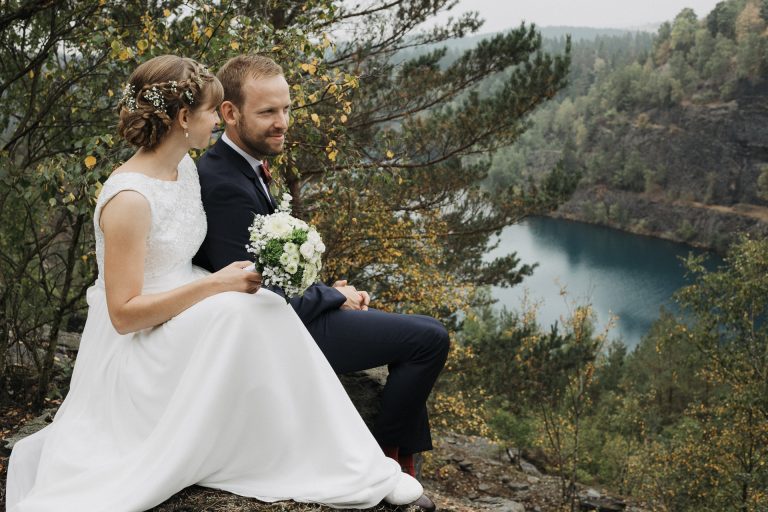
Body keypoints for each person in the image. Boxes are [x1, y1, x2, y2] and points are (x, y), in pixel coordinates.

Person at [5, 55, 429, 512]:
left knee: (263, 306)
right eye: (211, 111)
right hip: (143, 337)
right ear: (184, 118)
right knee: (246, 311)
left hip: (186, 304)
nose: (217, 121)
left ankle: (350, 458)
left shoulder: (185, 169)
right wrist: (215, 287)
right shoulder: (129, 199)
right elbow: (124, 315)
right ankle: (334, 463)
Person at [192, 54, 450, 483]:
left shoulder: (242, 167)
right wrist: (334, 297)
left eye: (286, 109)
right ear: (230, 113)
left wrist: (331, 290)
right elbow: (256, 285)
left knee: (423, 329)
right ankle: (382, 457)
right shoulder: (222, 183)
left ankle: (400, 454)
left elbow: (273, 267)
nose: (282, 122)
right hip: (276, 330)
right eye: (268, 112)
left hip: (290, 312)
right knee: (428, 340)